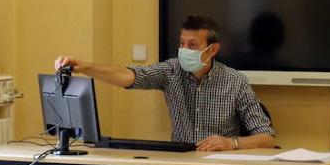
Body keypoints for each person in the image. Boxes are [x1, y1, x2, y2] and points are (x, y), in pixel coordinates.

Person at [53, 15, 276, 151]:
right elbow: (128, 76)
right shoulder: (171, 70)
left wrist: (232, 144)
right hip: (180, 163)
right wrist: (84, 67)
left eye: (193, 45)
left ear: (213, 49)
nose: (184, 51)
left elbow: (266, 137)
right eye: (182, 44)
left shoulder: (235, 81)